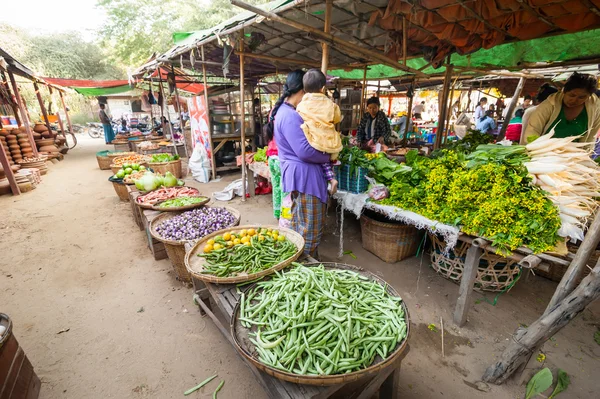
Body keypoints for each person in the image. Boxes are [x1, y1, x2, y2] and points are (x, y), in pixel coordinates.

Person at [268, 70, 333, 257]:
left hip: (300, 176)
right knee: (309, 228)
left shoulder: (287, 112)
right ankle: (304, 266)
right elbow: (305, 151)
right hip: (305, 178)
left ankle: (305, 263)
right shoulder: (289, 115)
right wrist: (328, 155)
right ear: (304, 90)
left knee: (301, 223)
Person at [523, 72, 600, 143]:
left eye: (582, 97)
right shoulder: (549, 105)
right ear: (564, 91)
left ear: (589, 96)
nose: (574, 100)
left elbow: (591, 137)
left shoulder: (595, 108)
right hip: (544, 154)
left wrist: (586, 154)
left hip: (575, 155)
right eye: (571, 95)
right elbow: (532, 131)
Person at [296, 68, 342, 170]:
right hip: (331, 145)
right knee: (333, 155)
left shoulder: (301, 106)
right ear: (322, 88)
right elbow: (337, 118)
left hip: (312, 143)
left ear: (304, 89)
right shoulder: (331, 105)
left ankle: (327, 173)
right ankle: (330, 173)